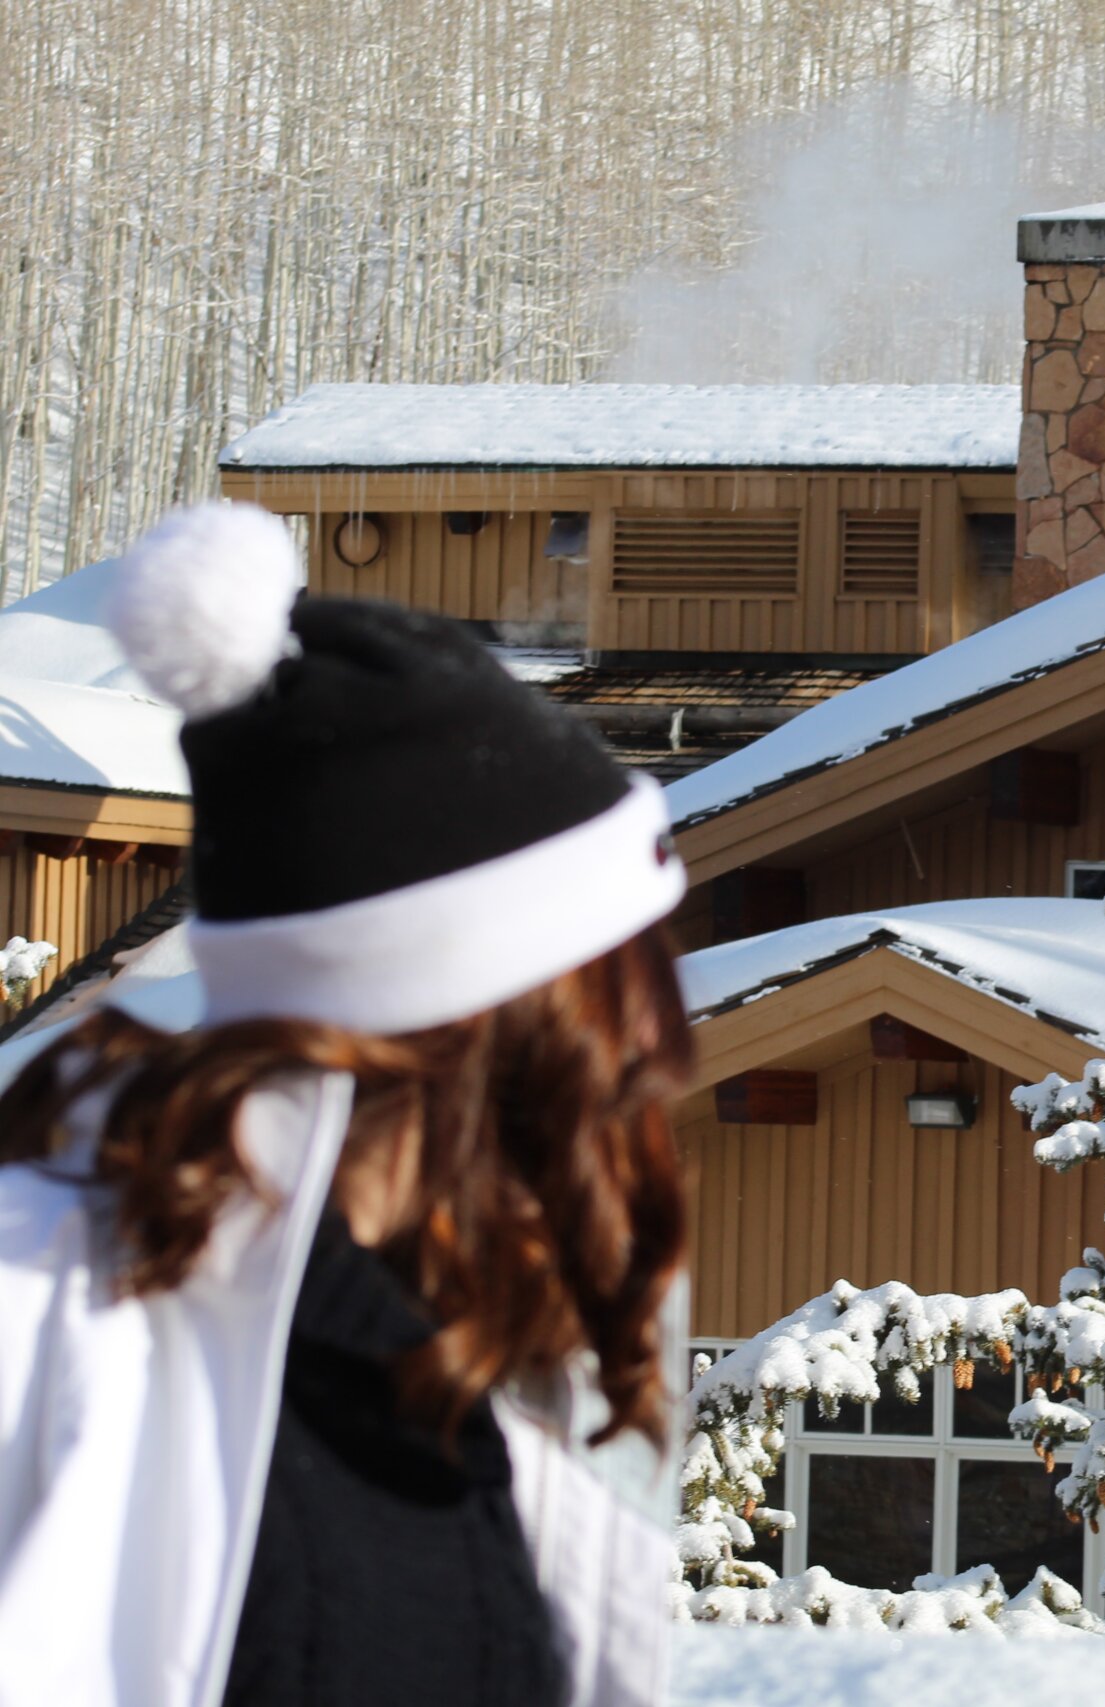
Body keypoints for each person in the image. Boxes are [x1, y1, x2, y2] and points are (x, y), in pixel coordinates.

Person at [0, 503, 693, 1707]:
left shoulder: (495, 1353)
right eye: (615, 980)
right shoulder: (48, 1308)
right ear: (474, 1008)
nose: (655, 1044)